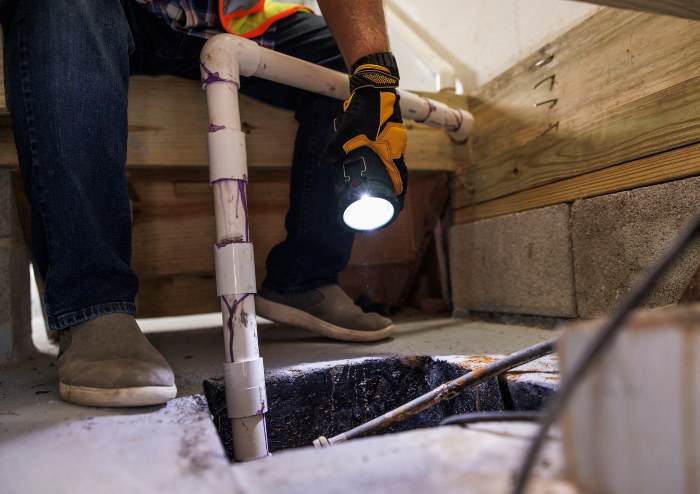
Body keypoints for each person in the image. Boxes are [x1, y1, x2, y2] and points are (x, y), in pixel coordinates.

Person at [0, 0, 407, 407]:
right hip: (118, 9)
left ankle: (304, 279)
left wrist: (376, 76)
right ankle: (93, 304)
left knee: (345, 61)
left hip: (227, 15)